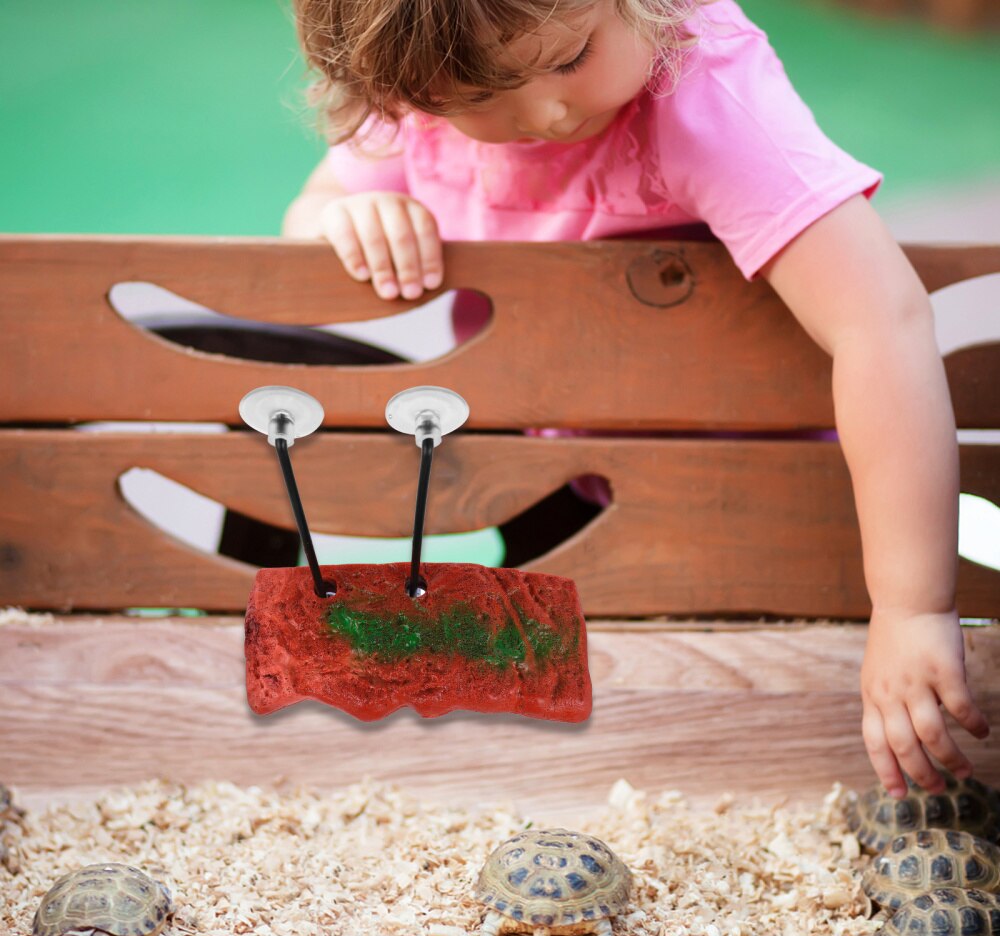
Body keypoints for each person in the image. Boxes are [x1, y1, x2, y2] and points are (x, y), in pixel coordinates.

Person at [282, 0, 990, 797]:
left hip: (742, 488)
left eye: (570, 58)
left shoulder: (701, 93)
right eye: (483, 98)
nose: (550, 111)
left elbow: (879, 318)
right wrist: (347, 216)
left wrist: (911, 609)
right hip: (553, 467)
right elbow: (310, 214)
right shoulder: (418, 77)